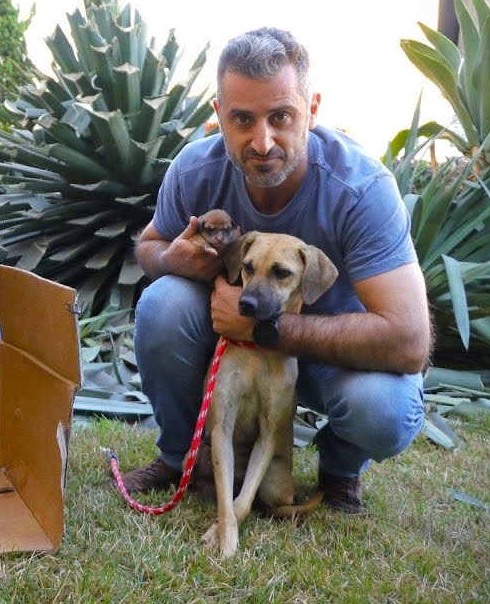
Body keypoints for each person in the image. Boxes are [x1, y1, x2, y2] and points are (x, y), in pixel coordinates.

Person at [120, 27, 431, 513]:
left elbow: (410, 341)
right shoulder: (195, 170)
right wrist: (168, 259)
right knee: (164, 303)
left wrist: (265, 328)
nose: (262, 142)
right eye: (242, 119)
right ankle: (183, 458)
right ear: (219, 114)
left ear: (312, 109)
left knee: (384, 409)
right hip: (238, 353)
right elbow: (149, 244)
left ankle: (340, 469)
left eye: (281, 116)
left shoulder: (362, 189)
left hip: (336, 358)